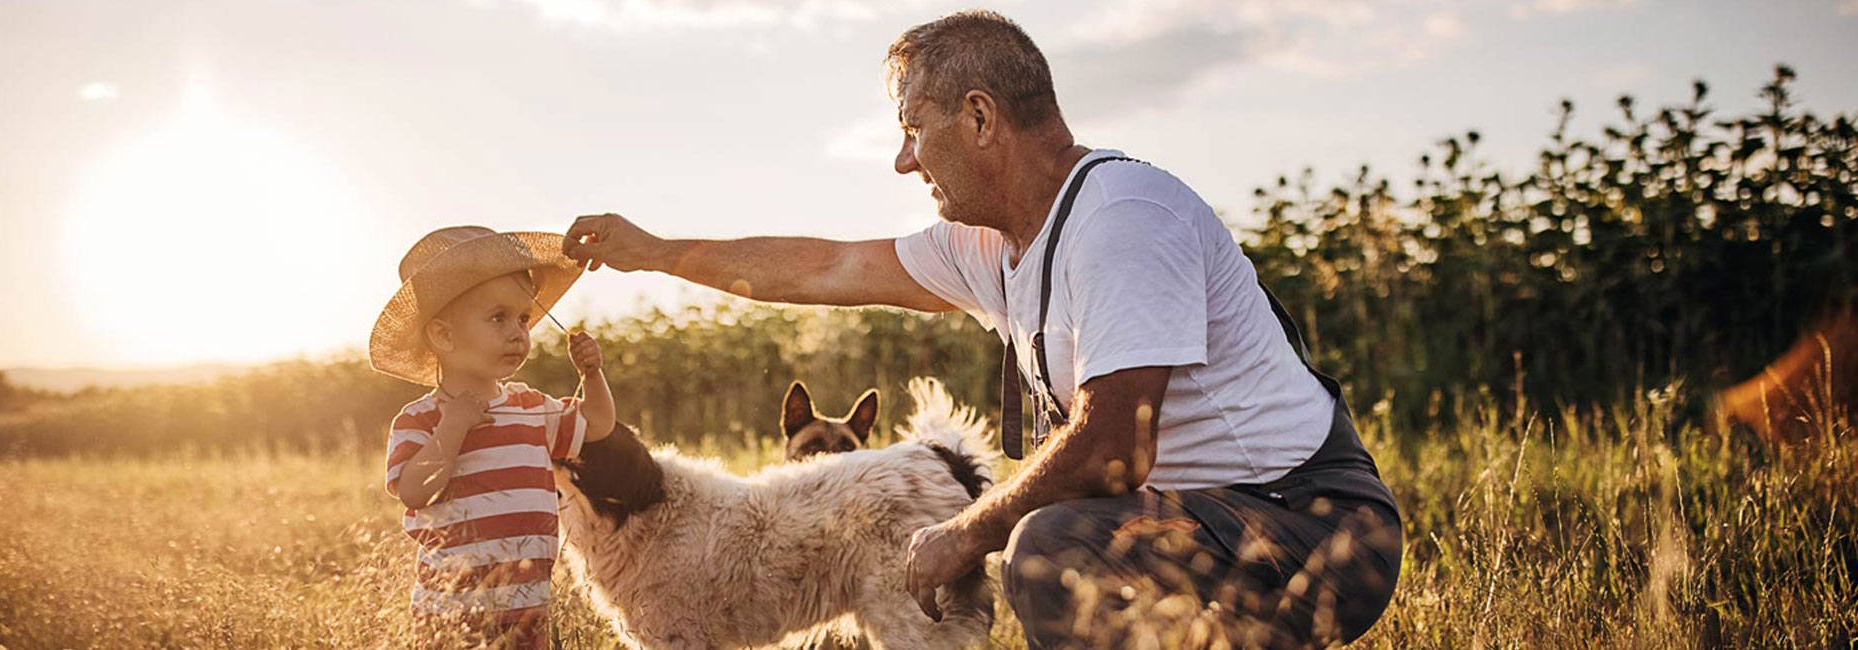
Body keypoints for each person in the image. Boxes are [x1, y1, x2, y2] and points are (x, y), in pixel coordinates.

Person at [559, 10, 1401, 649]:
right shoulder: (991, 242)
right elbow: (821, 267)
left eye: (912, 130)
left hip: (1309, 523)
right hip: (1197, 517)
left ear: (980, 117)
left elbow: (1113, 448)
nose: (904, 159)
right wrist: (658, 253)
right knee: (1053, 539)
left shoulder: (1123, 221)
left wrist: (963, 532)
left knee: (1049, 548)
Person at [369, 225, 617, 649]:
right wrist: (454, 425)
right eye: (498, 318)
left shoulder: (530, 408)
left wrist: (592, 375)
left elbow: (597, 426)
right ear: (443, 335)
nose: (517, 333)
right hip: (451, 614)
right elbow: (413, 492)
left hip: (528, 606)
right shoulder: (421, 419)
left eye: (523, 318)